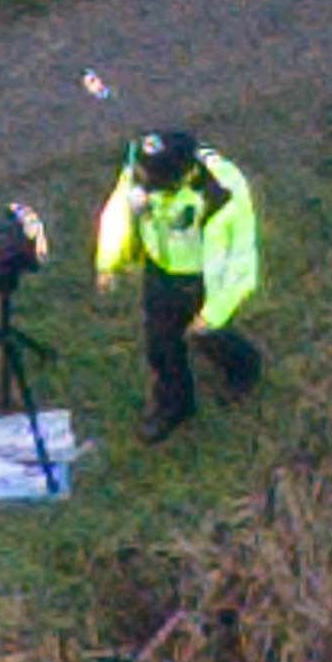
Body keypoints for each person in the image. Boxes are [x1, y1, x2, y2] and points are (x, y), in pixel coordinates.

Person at [91, 127, 267, 440]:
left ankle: (243, 367)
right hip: (161, 271)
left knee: (210, 334)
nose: (146, 191)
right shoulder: (142, 172)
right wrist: (110, 262)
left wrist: (212, 314)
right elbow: (118, 212)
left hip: (203, 278)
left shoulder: (222, 195)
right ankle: (175, 404)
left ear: (185, 176)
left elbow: (240, 264)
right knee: (161, 341)